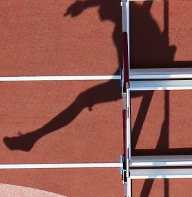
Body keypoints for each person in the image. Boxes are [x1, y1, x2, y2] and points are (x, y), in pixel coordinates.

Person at [3, 0, 176, 151]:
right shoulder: (130, 11)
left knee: (83, 99)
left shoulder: (119, 33)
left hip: (141, 78)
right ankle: (32, 137)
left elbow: (124, 75)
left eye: (103, 13)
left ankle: (32, 138)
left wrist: (106, 92)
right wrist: (84, 5)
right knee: (86, 98)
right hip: (151, 59)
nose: (100, 13)